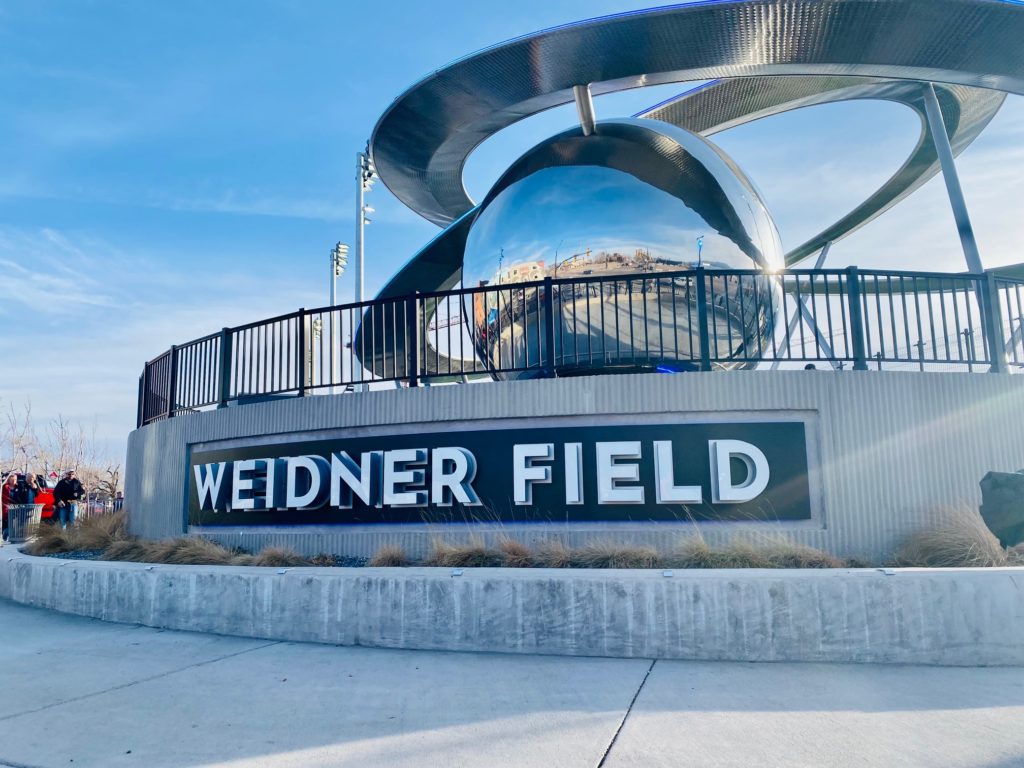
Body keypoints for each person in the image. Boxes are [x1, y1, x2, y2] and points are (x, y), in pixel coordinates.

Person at [2, 473, 18, 541]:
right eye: (12, 479)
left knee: (13, 523)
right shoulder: (4, 487)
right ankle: (5, 536)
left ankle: (10, 536)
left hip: (16, 507)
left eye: (15, 479)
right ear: (9, 480)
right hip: (6, 507)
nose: (14, 481)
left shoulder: (18, 487)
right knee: (6, 522)